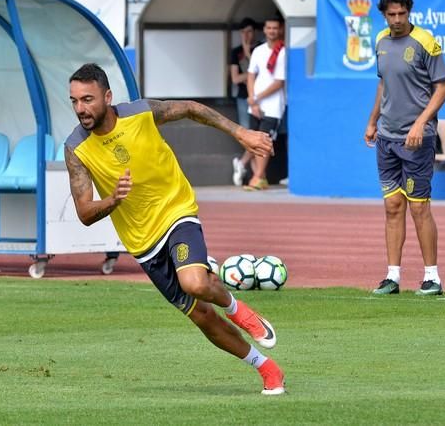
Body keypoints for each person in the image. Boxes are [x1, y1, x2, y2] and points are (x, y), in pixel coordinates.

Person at [65, 63, 285, 395]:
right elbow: (84, 212)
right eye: (74, 101)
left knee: (194, 282)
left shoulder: (139, 113)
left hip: (176, 211)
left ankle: (239, 310)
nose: (81, 108)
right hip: (143, 243)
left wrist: (241, 133)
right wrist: (112, 200)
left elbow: (192, 110)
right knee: (202, 318)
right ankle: (267, 369)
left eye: (88, 99)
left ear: (107, 97)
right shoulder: (75, 149)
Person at [364, 0, 445, 296]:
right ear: (384, 14)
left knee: (419, 208)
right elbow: (383, 83)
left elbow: (443, 88)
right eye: (392, 14)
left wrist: (420, 122)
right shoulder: (380, 41)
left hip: (418, 139)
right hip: (386, 136)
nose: (397, 19)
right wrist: (373, 120)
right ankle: (392, 277)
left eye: (402, 14)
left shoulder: (426, 42)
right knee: (392, 206)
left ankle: (432, 278)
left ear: (409, 12)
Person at [245, 16, 287, 190]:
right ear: (264, 29)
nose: (272, 31)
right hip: (255, 105)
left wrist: (257, 98)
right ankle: (261, 178)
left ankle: (257, 177)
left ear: (280, 30)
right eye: (269, 28)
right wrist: (252, 100)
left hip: (273, 106)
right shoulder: (258, 50)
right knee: (252, 140)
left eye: (275, 28)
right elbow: (250, 75)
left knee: (264, 141)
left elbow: (279, 82)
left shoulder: (283, 51)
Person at [229, 17, 258, 186]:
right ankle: (256, 175)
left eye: (249, 31)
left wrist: (248, 53)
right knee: (249, 134)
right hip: (243, 98)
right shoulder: (235, 52)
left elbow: (260, 73)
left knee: (258, 133)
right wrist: (250, 75)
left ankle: (243, 164)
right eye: (243, 32)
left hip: (259, 98)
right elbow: (235, 78)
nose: (246, 35)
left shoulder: (261, 48)